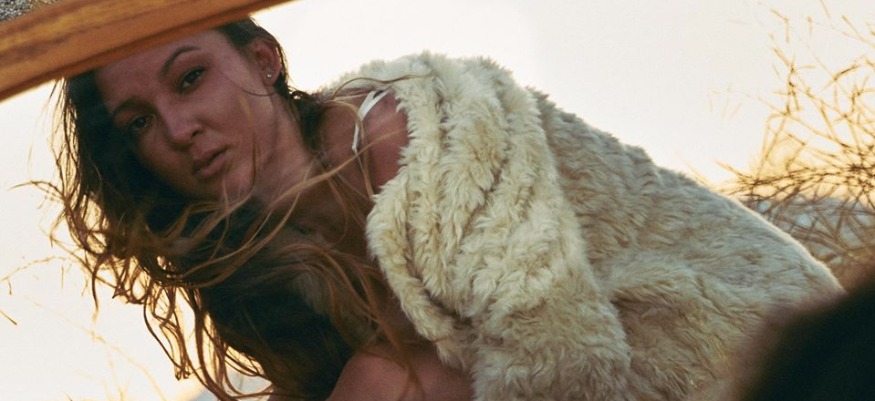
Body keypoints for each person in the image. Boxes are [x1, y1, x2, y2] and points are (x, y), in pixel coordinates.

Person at [53, 17, 843, 401]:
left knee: (388, 377)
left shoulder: (417, 133)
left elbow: (563, 360)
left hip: (764, 348)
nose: (179, 130)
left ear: (263, 60)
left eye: (190, 79)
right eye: (139, 123)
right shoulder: (268, 251)